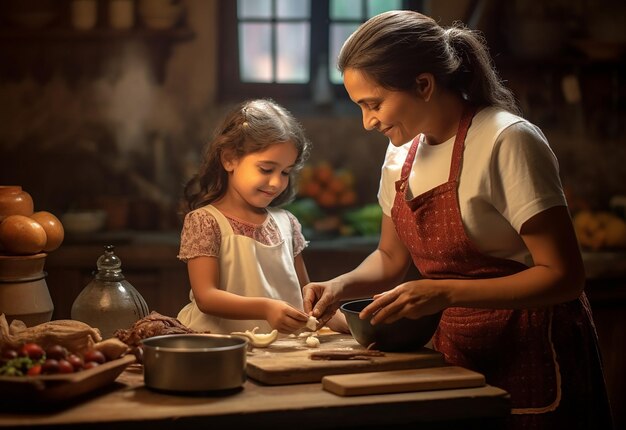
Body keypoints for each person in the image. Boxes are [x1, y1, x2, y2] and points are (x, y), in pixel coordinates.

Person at [303, 10, 613, 430]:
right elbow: (389, 257)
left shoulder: (507, 139)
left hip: (533, 348)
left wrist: (444, 292)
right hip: (455, 349)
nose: (367, 122)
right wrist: (340, 285)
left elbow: (564, 276)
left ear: (424, 85)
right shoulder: (399, 155)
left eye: (373, 104)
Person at [177, 98, 346, 335]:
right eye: (266, 169)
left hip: (280, 354)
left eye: (285, 172)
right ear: (229, 159)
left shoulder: (287, 223)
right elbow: (207, 297)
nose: (277, 182)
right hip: (219, 349)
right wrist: (266, 308)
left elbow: (307, 302)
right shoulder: (206, 221)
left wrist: (355, 326)